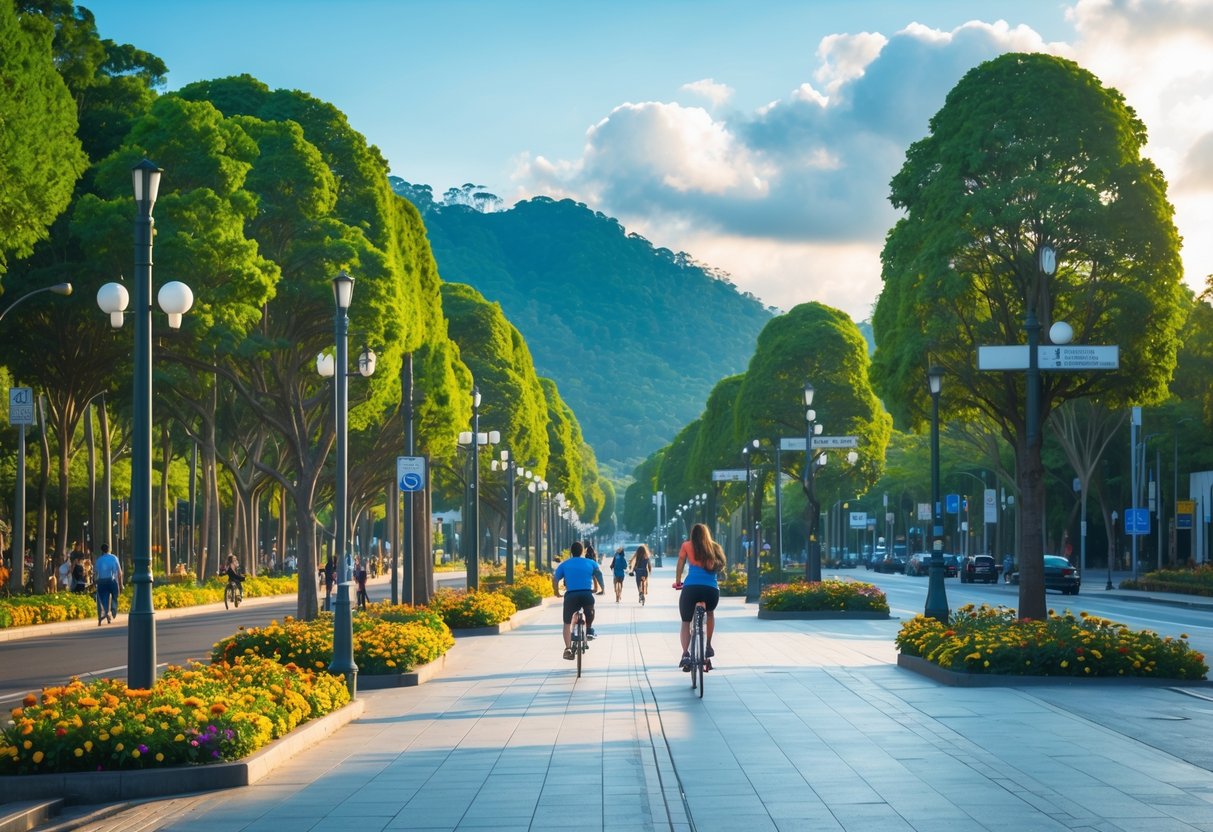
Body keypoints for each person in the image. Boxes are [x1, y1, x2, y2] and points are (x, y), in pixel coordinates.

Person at [673, 523, 727, 672]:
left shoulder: (686, 545)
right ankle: (708, 645)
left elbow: (680, 563)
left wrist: (678, 581)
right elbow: (722, 565)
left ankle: (685, 654)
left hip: (691, 588)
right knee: (709, 613)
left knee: (685, 621)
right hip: (711, 591)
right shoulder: (715, 547)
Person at [552, 540, 605, 660]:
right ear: (582, 551)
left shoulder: (565, 564)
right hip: (586, 594)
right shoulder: (591, 563)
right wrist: (602, 588)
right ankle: (589, 629)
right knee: (589, 610)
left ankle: (568, 648)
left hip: (571, 596)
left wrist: (556, 592)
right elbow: (599, 575)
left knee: (566, 623)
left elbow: (555, 579)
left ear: (571, 552)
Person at [93, 543, 122, 625]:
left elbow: (95, 572)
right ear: (109, 549)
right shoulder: (114, 558)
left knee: (102, 600)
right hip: (111, 580)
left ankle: (102, 616)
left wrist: (95, 581)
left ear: (101, 550)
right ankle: (113, 609)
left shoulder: (99, 560)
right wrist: (120, 585)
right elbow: (119, 573)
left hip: (101, 581)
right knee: (114, 595)